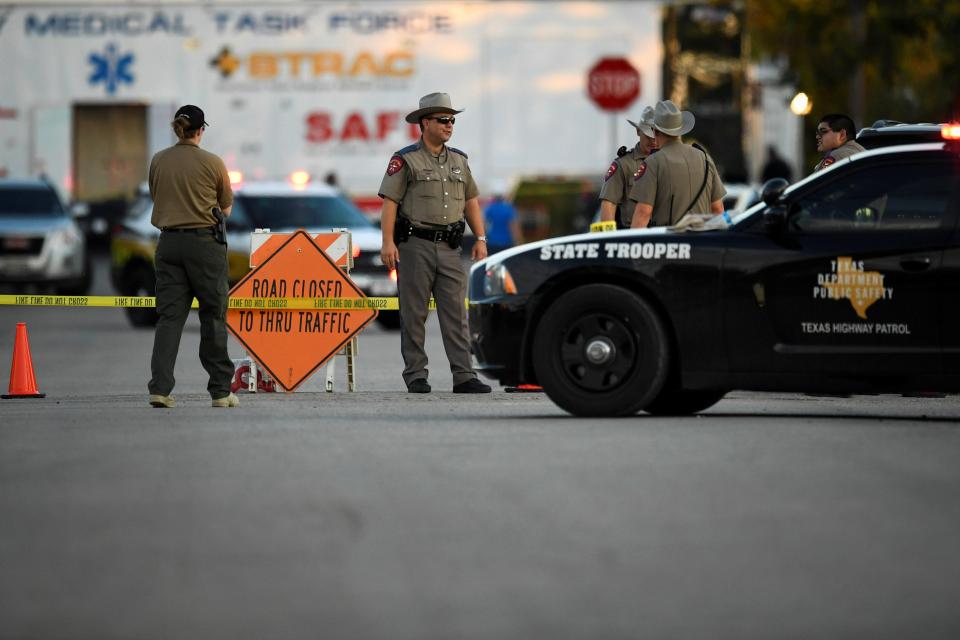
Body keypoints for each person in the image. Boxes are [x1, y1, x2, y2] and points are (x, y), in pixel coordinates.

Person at [378, 92, 492, 394]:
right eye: (443, 120)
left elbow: (471, 201)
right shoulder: (405, 160)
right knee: (414, 313)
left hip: (450, 247)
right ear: (424, 123)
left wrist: (480, 238)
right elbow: (390, 203)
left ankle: (464, 375)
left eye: (452, 120)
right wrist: (387, 242)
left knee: (456, 313)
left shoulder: (459, 160)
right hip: (415, 244)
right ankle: (416, 374)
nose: (449, 125)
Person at [147, 104, 238, 408]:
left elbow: (156, 195)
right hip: (204, 245)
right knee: (213, 315)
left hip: (168, 243)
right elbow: (225, 209)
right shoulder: (213, 163)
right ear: (201, 130)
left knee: (169, 318)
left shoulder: (159, 161)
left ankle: (160, 388)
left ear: (177, 129)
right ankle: (221, 391)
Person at [630, 100, 726, 228]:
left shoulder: (653, 162)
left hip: (669, 243)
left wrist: (634, 245)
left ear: (655, 131)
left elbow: (643, 213)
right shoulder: (705, 158)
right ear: (681, 129)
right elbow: (718, 209)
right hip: (703, 243)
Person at [599, 105, 660, 228]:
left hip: (665, 235)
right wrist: (609, 241)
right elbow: (608, 204)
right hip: (634, 235)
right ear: (638, 131)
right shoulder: (623, 164)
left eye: (657, 136)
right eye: (649, 136)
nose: (653, 141)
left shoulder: (670, 162)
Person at [483, 180, 522, 255]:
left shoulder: (489, 208)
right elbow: (514, 227)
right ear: (503, 195)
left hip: (492, 242)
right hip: (507, 243)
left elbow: (483, 226)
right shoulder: (509, 208)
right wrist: (518, 241)